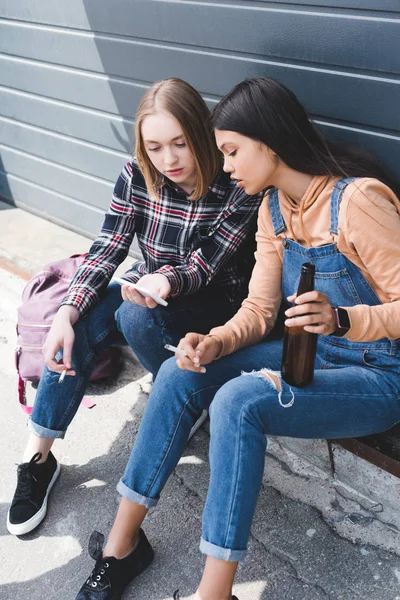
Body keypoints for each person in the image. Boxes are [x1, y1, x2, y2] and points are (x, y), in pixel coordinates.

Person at [74, 77, 400, 600]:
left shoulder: (356, 202)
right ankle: (121, 544)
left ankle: (214, 592)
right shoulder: (273, 210)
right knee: (184, 371)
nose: (223, 166)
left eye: (231, 151)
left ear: (268, 143)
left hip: (377, 374)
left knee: (240, 400)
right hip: (308, 354)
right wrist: (214, 343)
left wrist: (344, 320)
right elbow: (259, 309)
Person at [7, 78, 264, 537]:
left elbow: (207, 263)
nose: (169, 160)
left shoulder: (236, 182)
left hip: (215, 303)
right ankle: (38, 458)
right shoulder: (136, 175)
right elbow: (107, 247)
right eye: (156, 146)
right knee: (81, 315)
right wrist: (65, 314)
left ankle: (186, 395)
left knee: (136, 314)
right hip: (148, 287)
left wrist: (161, 280)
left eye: (181, 144)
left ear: (202, 135)